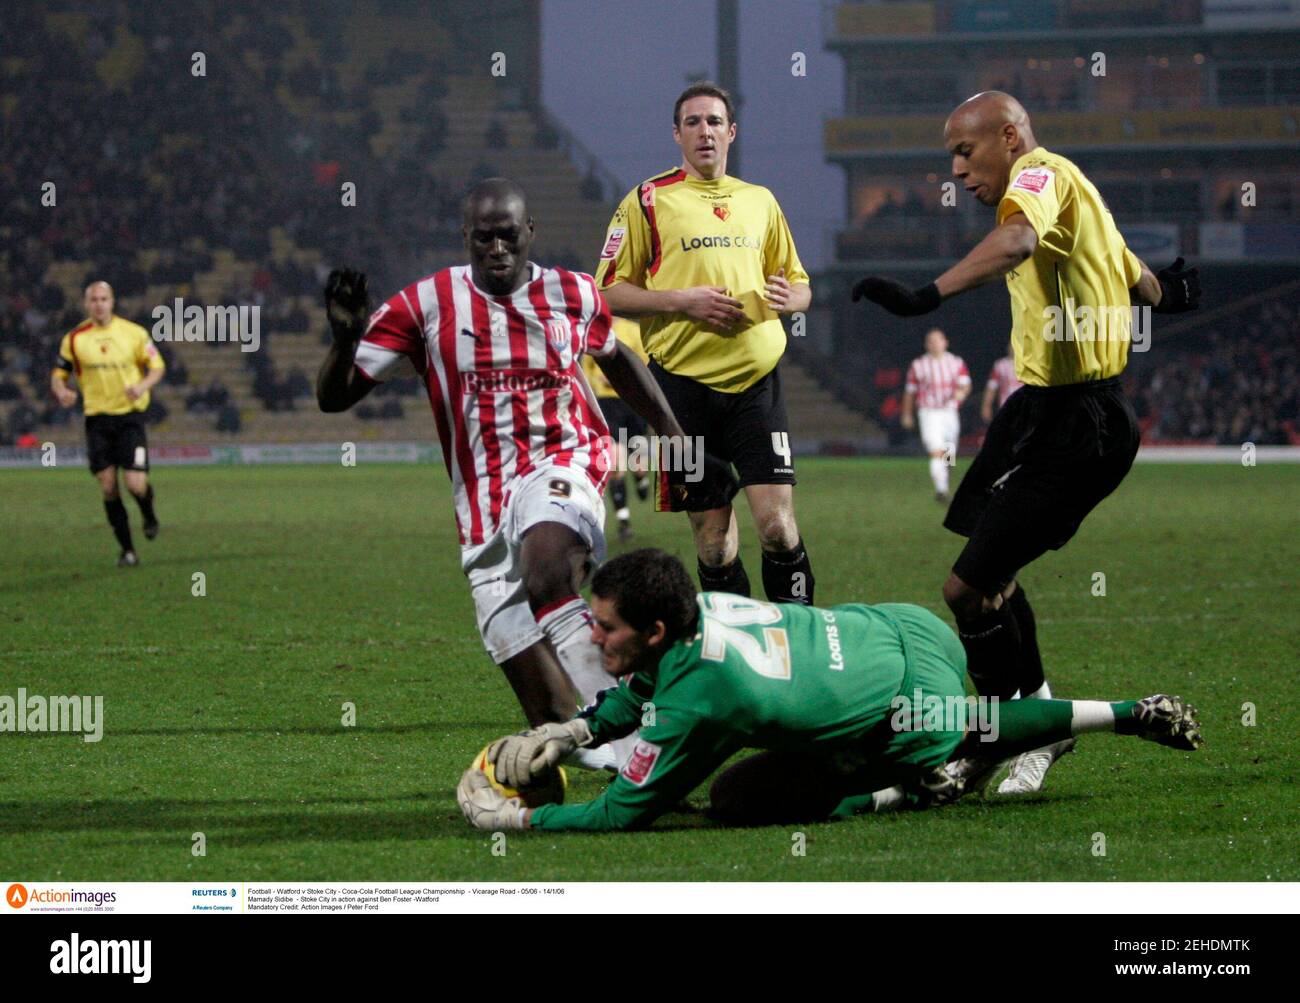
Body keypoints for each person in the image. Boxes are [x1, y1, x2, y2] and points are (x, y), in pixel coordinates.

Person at [851, 91, 1200, 794]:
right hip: (1036, 413)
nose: (955, 170)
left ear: (1009, 138)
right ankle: (1025, 723)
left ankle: (1007, 734)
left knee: (966, 588)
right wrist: (1171, 296)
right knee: (992, 579)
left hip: (1080, 428)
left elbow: (1016, 240)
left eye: (964, 150)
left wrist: (928, 295)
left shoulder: (1038, 176)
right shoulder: (1080, 192)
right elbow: (1135, 274)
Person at [316, 178, 686, 771]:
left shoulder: (574, 292)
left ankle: (641, 740)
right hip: (484, 506)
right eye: (483, 237)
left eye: (508, 235)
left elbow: (619, 361)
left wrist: (674, 439)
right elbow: (334, 398)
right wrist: (344, 340)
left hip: (566, 465)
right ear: (465, 237)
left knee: (547, 564)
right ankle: (621, 758)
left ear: (529, 232)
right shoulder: (425, 305)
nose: (496, 249)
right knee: (550, 717)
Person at [456, 548, 1203, 832]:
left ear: (653, 629)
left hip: (906, 701)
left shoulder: (701, 695)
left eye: (607, 627)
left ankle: (908, 787)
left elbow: (623, 813)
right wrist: (581, 731)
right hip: (901, 624)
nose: (593, 638)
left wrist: (519, 824)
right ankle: (1121, 711)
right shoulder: (695, 611)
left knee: (738, 800)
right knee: (964, 719)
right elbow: (638, 688)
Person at [594, 81, 815, 605]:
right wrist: (682, 301)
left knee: (778, 528)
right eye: (692, 122)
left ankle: (799, 651)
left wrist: (792, 299)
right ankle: (736, 653)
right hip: (680, 394)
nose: (704, 131)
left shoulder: (759, 201)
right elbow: (607, 291)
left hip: (756, 386)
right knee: (714, 545)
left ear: (731, 132)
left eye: (714, 121)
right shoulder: (648, 200)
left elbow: (802, 286)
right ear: (676, 134)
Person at [50, 281, 165, 567]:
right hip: (98, 419)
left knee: (136, 484)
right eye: (94, 299)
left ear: (112, 301)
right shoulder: (75, 338)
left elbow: (157, 367)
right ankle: (128, 551)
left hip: (129, 417)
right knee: (109, 486)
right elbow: (58, 373)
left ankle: (148, 515)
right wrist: (61, 391)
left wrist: (142, 386)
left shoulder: (134, 333)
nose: (99, 304)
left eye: (104, 298)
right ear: (86, 303)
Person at [580, 316, 652, 540]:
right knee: (616, 463)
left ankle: (641, 479)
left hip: (632, 400)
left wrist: (623, 378)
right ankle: (623, 521)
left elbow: (644, 362)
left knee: (638, 463)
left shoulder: (633, 330)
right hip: (608, 404)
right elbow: (587, 368)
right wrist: (599, 379)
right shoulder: (594, 331)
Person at [902, 328, 970, 502]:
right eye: (930, 341)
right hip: (929, 413)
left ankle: (944, 481)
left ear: (945, 342)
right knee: (936, 450)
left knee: (949, 453)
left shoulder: (955, 362)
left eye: (937, 340)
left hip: (949, 412)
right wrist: (907, 414)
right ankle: (941, 490)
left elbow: (965, 384)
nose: (934, 344)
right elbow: (910, 392)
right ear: (926, 345)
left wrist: (961, 393)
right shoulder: (918, 365)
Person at [980, 340, 1023, 424]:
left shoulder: (1030, 364)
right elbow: (991, 387)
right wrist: (986, 405)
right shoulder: (1000, 365)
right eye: (1011, 345)